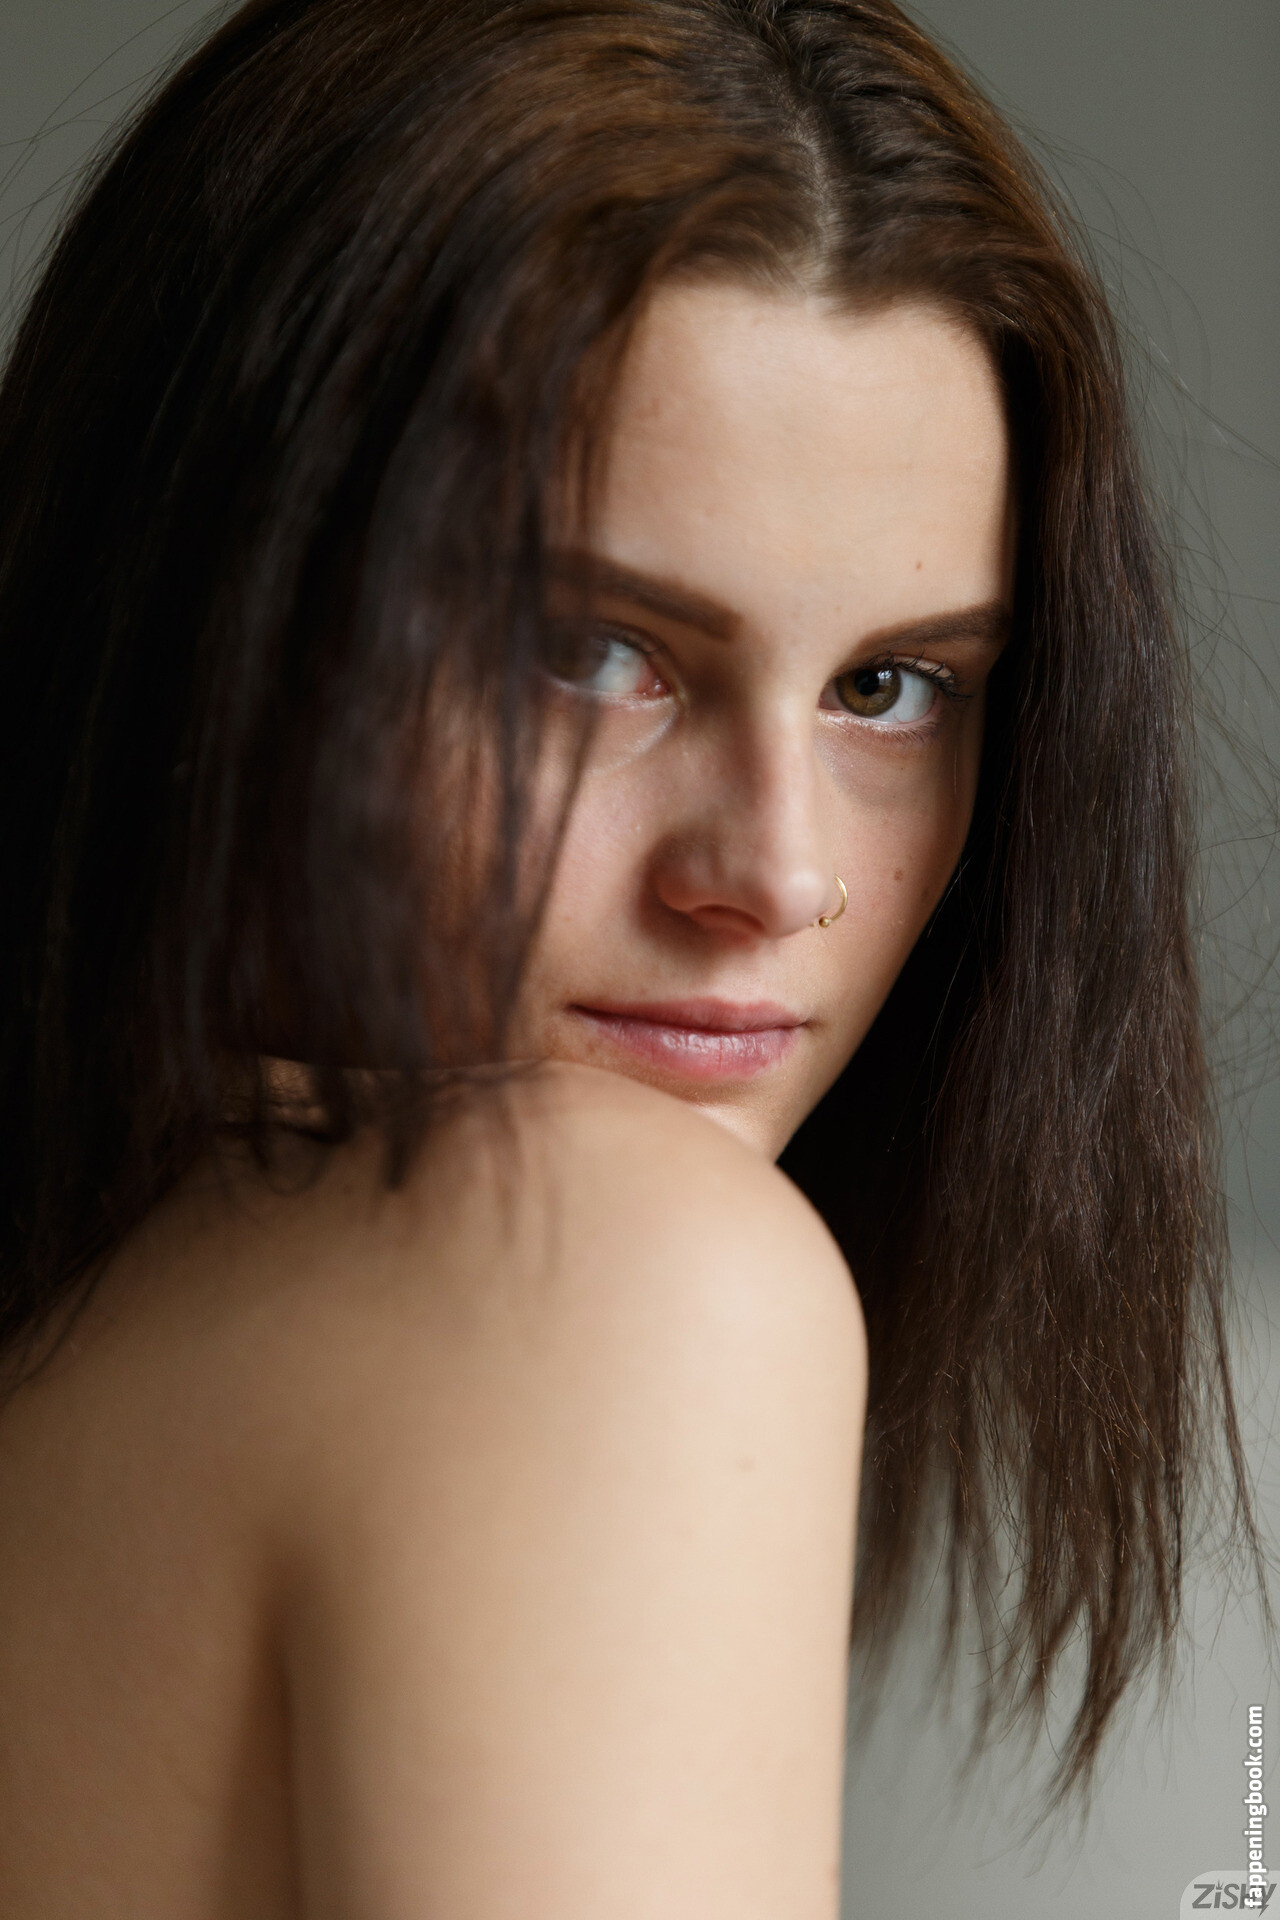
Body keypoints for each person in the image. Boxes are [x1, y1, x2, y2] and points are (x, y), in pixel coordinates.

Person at [0, 0, 1255, 1911]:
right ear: (214, 603)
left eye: (894, 687)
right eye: (591, 653)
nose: (777, 874)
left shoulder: (121, 1341)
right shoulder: (619, 1272)